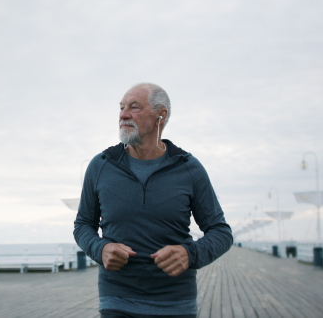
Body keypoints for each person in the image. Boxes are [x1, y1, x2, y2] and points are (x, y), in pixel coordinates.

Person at [73, 83, 233, 317]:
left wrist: (190, 255)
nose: (123, 114)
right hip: (117, 299)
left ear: (161, 115)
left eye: (134, 107)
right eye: (121, 108)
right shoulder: (101, 165)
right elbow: (83, 225)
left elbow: (221, 232)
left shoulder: (189, 168)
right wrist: (101, 248)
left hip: (176, 302)